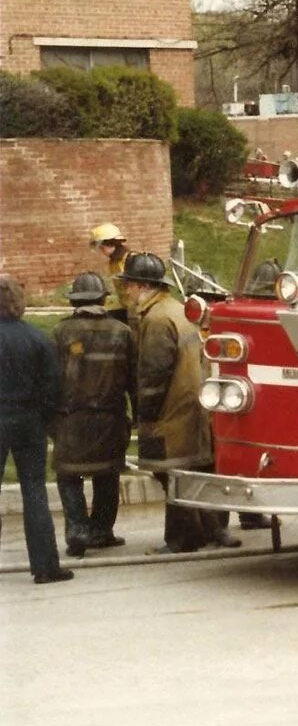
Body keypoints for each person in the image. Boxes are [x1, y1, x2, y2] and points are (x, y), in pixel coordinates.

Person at [116, 252, 241, 553]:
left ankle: (182, 539)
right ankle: (214, 530)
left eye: (130, 285)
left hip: (169, 414)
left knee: (171, 474)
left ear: (143, 286)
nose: (127, 292)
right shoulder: (177, 311)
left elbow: (153, 373)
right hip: (193, 409)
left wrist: (145, 414)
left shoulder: (157, 320)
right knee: (192, 473)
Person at [50, 271, 136, 557]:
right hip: (110, 418)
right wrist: (136, 417)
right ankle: (101, 531)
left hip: (71, 419)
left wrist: (50, 421)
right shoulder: (122, 333)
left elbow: (49, 382)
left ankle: (77, 530)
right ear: (103, 299)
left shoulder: (61, 333)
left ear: (74, 301)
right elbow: (134, 381)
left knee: (69, 476)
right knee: (107, 475)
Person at [0, 275, 74, 584]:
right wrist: (42, 417)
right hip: (29, 419)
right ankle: (45, 566)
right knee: (35, 491)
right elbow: (54, 387)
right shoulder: (37, 338)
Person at [89, 223, 135, 324]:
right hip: (128, 309)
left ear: (111, 243)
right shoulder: (113, 262)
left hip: (139, 311)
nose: (101, 251)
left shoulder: (131, 259)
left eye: (102, 247)